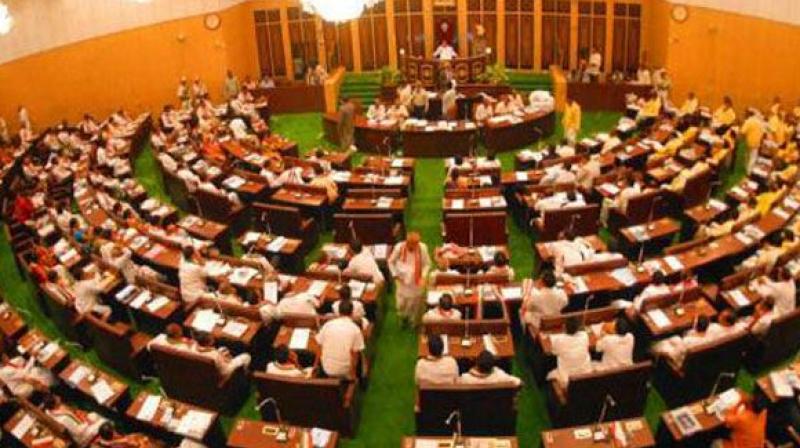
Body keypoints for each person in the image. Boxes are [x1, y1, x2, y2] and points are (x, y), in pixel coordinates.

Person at [388, 232, 431, 327]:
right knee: (401, 304)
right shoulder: (399, 248)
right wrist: (395, 275)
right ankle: (403, 317)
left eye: (415, 246)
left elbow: (427, 264)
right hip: (402, 282)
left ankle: (413, 322)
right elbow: (390, 262)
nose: (412, 248)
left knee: (415, 304)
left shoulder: (422, 248)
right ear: (407, 243)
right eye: (410, 245)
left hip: (416, 281)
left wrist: (423, 277)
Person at [316, 300, 365, 379]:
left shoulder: (328, 325)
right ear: (352, 313)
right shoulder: (355, 329)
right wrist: (352, 373)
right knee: (360, 353)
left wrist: (316, 366)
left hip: (326, 367)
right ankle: (362, 380)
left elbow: (319, 346)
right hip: (345, 370)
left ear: (338, 312)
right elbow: (355, 354)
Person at [43, 393, 107, 447]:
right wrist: (88, 423)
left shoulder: (48, 412)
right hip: (82, 437)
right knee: (103, 421)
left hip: (80, 425)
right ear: (54, 404)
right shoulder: (63, 419)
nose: (58, 397)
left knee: (94, 414)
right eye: (56, 398)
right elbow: (77, 432)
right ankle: (105, 441)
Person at [547, 316, 592, 387]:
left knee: (550, 374)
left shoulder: (559, 340)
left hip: (567, 377)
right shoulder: (584, 336)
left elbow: (554, 352)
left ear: (564, 327)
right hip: (585, 373)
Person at [740, 108, 765, 174]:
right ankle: (749, 172)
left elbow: (742, 132)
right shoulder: (760, 122)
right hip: (756, 142)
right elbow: (763, 133)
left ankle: (745, 170)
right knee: (752, 158)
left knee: (747, 156)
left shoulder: (748, 121)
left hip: (748, 141)